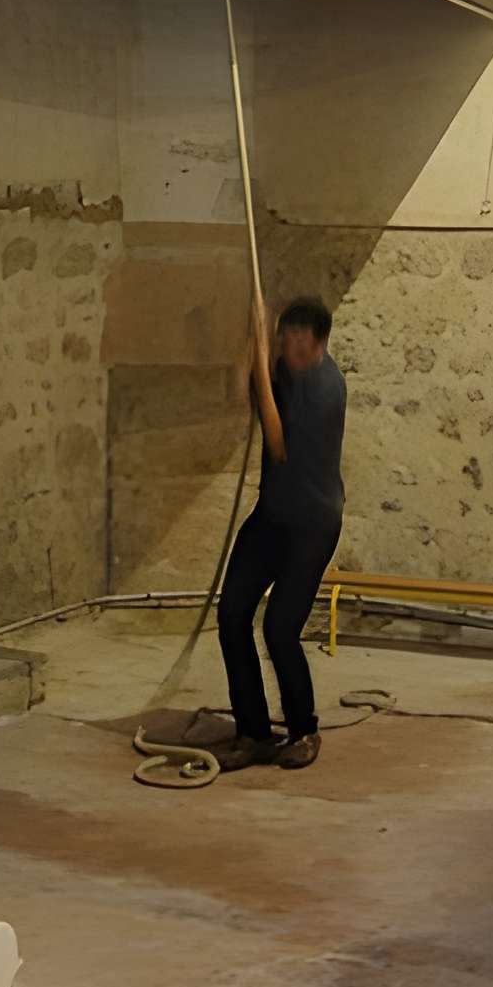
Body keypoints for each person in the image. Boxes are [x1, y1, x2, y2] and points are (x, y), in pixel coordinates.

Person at [212, 291, 346, 772]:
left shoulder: (326, 388)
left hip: (312, 525)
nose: (290, 350)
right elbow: (239, 394)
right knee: (231, 614)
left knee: (279, 628)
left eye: (299, 343)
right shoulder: (286, 367)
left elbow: (277, 442)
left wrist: (262, 360)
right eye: (285, 340)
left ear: (320, 344)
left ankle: (304, 730)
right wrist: (253, 342)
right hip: (272, 515)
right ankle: (252, 732)